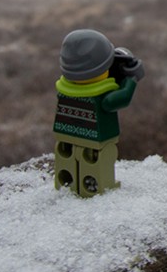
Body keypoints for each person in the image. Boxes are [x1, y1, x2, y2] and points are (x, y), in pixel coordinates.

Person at [52, 29, 144, 197]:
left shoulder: (64, 90)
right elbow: (122, 98)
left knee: (66, 159)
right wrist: (132, 79)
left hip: (65, 132)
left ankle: (66, 184)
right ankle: (96, 189)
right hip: (97, 136)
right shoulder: (102, 96)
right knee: (98, 161)